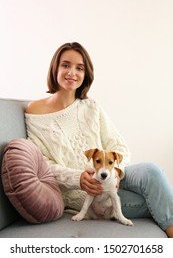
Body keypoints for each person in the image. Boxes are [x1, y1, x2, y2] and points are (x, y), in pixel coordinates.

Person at [25, 42, 173, 237]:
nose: (72, 73)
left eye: (80, 68)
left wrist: (117, 172)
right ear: (55, 68)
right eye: (66, 65)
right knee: (156, 200)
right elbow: (43, 164)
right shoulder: (35, 112)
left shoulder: (91, 106)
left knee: (152, 172)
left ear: (86, 74)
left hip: (111, 176)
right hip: (88, 194)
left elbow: (118, 145)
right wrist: (77, 178)